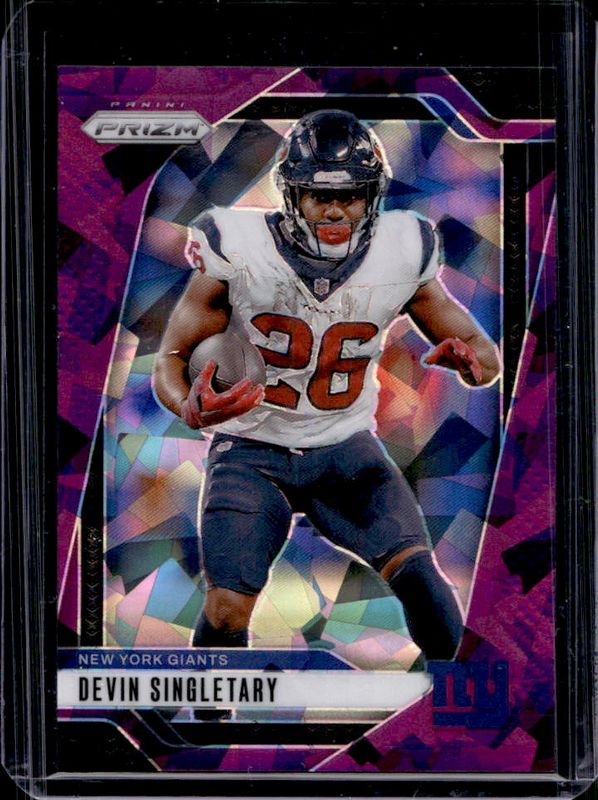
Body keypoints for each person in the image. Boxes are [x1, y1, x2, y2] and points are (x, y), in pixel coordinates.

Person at [153, 110, 500, 663]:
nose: (336, 210)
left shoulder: (403, 248)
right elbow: (171, 360)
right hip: (251, 453)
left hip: (344, 450)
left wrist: (471, 360)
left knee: (421, 579)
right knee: (226, 608)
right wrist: (187, 407)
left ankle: (466, 703)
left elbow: (485, 357)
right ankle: (210, 709)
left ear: (373, 196)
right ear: (292, 195)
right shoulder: (238, 246)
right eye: (319, 196)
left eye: (352, 195)